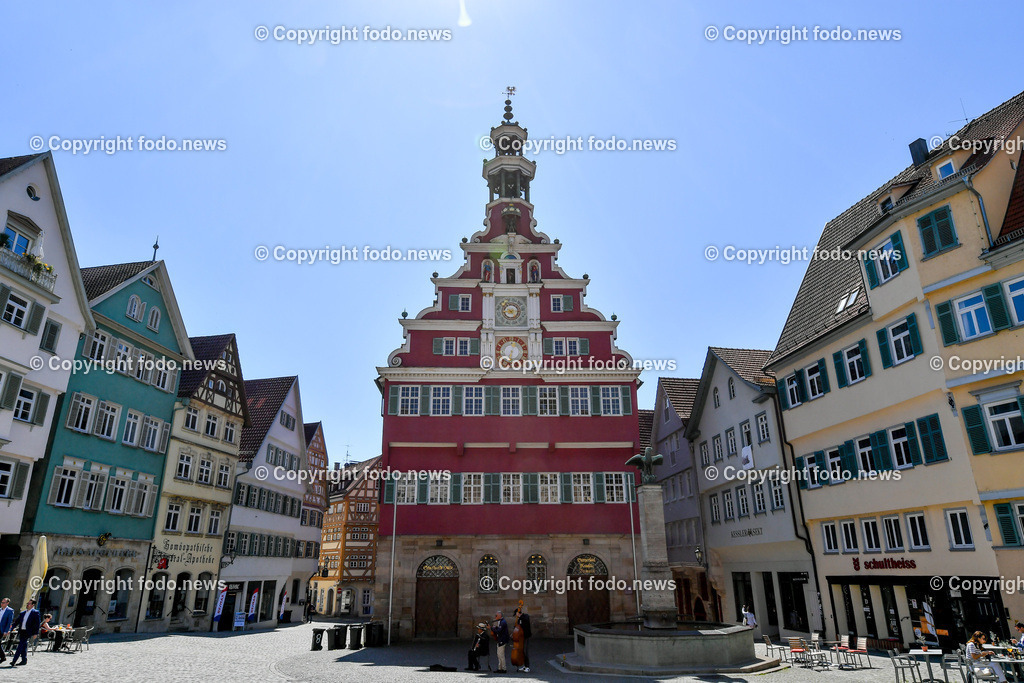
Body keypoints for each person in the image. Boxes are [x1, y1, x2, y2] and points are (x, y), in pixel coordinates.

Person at [10, 599, 40, 667]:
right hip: (22, 631)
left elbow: (37, 624)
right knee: (24, 645)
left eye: (29, 604)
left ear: (33, 605)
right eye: (27, 603)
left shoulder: (35, 613)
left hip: (28, 631)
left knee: (20, 645)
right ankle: (24, 660)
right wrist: (11, 629)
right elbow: (16, 622)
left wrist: (36, 633)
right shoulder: (23, 613)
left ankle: (14, 661)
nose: (27, 605)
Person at [513, 605, 532, 673]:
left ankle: (527, 666)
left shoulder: (525, 616)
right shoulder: (519, 619)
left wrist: (520, 617)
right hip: (520, 637)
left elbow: (525, 622)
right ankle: (524, 665)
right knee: (522, 652)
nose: (516, 616)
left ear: (518, 613)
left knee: (525, 651)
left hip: (526, 636)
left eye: (516, 614)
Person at [0, 597, 14, 664]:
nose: (2, 604)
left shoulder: (10, 611)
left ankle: (3, 657)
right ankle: (3, 657)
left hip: (2, 629)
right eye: (1, 602)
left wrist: (6, 630)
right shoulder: (0, 610)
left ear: (7, 603)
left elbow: (9, 622)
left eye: (3, 602)